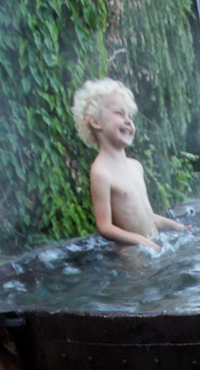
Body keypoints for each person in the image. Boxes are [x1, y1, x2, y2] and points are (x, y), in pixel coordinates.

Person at [71, 78, 186, 252]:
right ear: (95, 121)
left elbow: (146, 217)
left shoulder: (135, 166)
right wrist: (140, 241)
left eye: (130, 116)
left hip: (154, 246)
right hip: (133, 257)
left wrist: (176, 226)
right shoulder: (101, 171)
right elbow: (105, 226)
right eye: (119, 113)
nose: (128, 121)